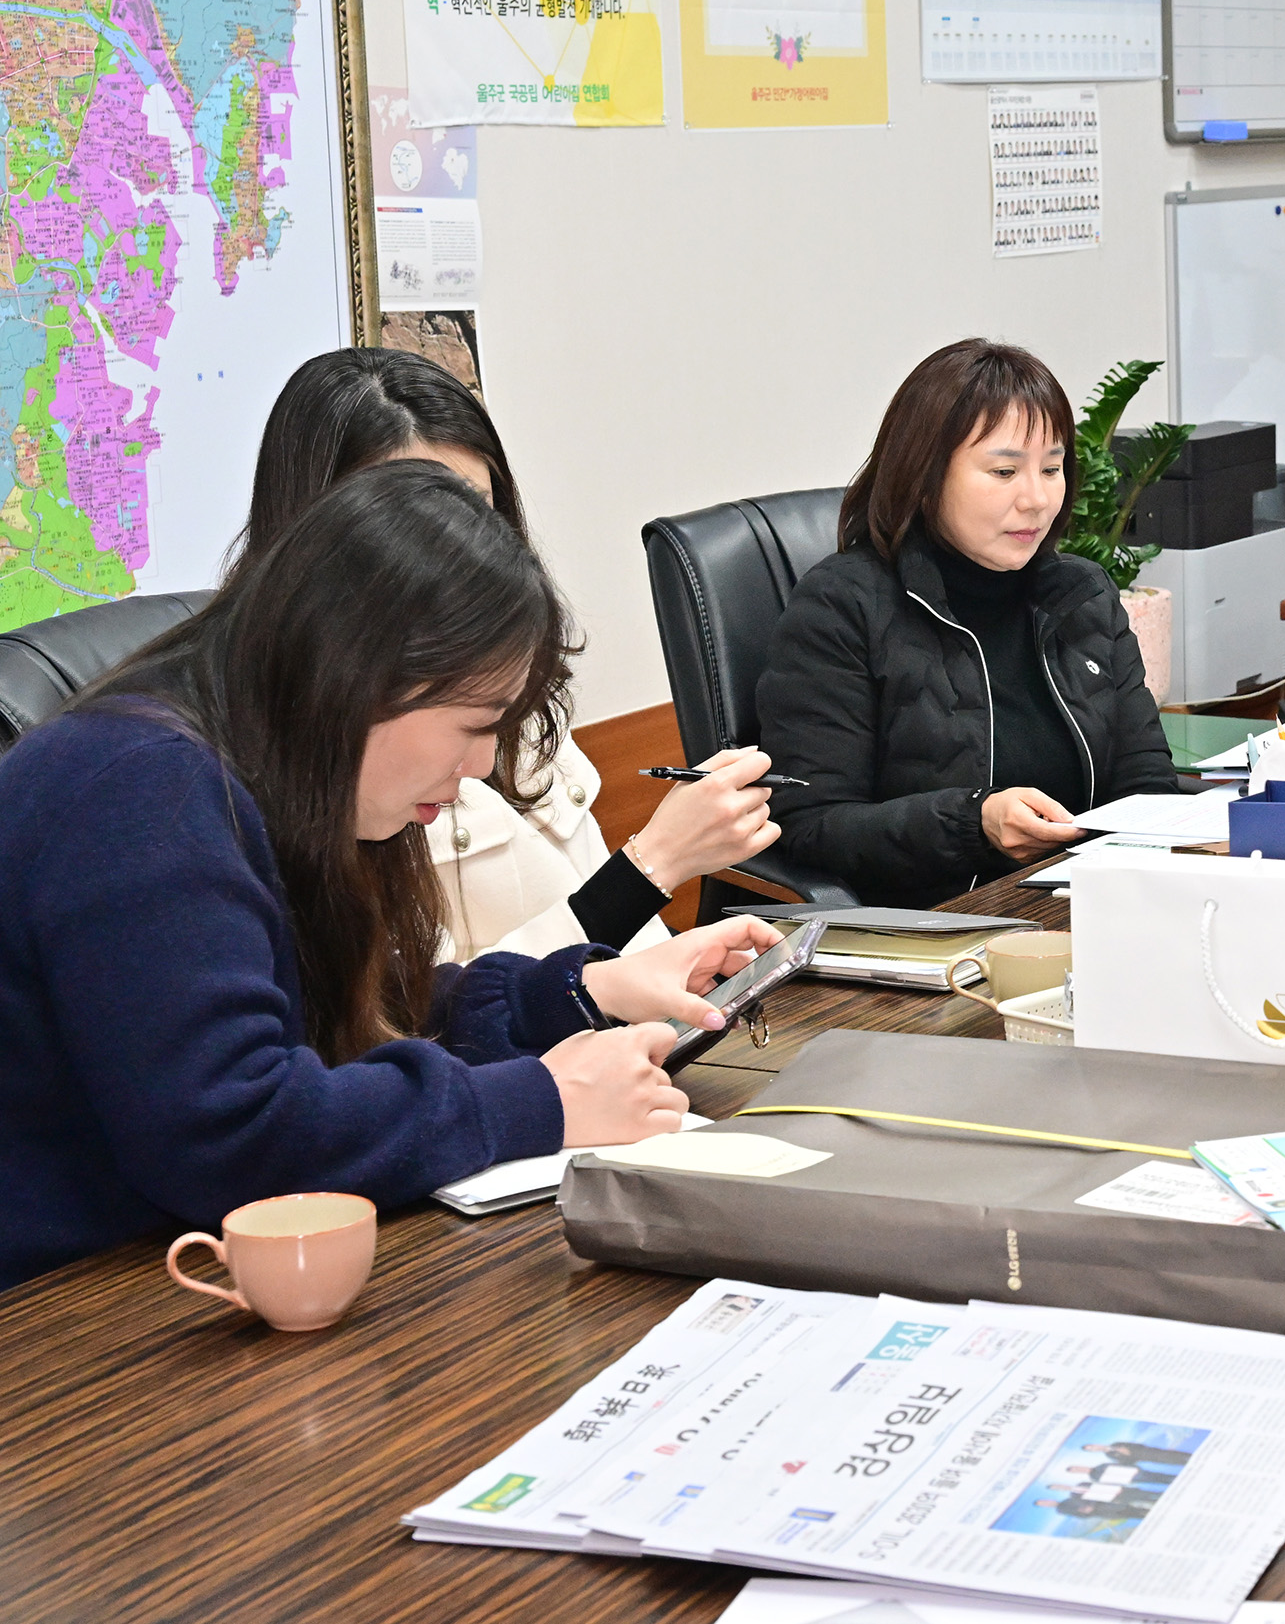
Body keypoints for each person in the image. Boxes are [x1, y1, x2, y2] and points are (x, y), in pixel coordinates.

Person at [0, 463, 782, 1289]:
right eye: (475, 724)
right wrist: (534, 1104)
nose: (481, 765)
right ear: (359, 675)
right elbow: (233, 1134)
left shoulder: (264, 767)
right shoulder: (140, 791)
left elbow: (355, 1023)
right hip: (59, 1320)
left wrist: (582, 994)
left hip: (170, 1276)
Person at [244, 349, 780, 960]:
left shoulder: (509, 676)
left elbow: (592, 902)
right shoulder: (306, 761)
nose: (456, 546)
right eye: (412, 516)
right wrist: (656, 861)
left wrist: (681, 968)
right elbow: (430, 1014)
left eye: (473, 508)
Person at [758, 339, 1177, 909]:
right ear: (926, 477)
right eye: (1004, 471)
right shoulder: (841, 607)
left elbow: (1144, 779)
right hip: (938, 931)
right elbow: (810, 825)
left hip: (1089, 906)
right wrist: (971, 823)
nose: (1036, 498)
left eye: (1052, 468)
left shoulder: (1081, 593)